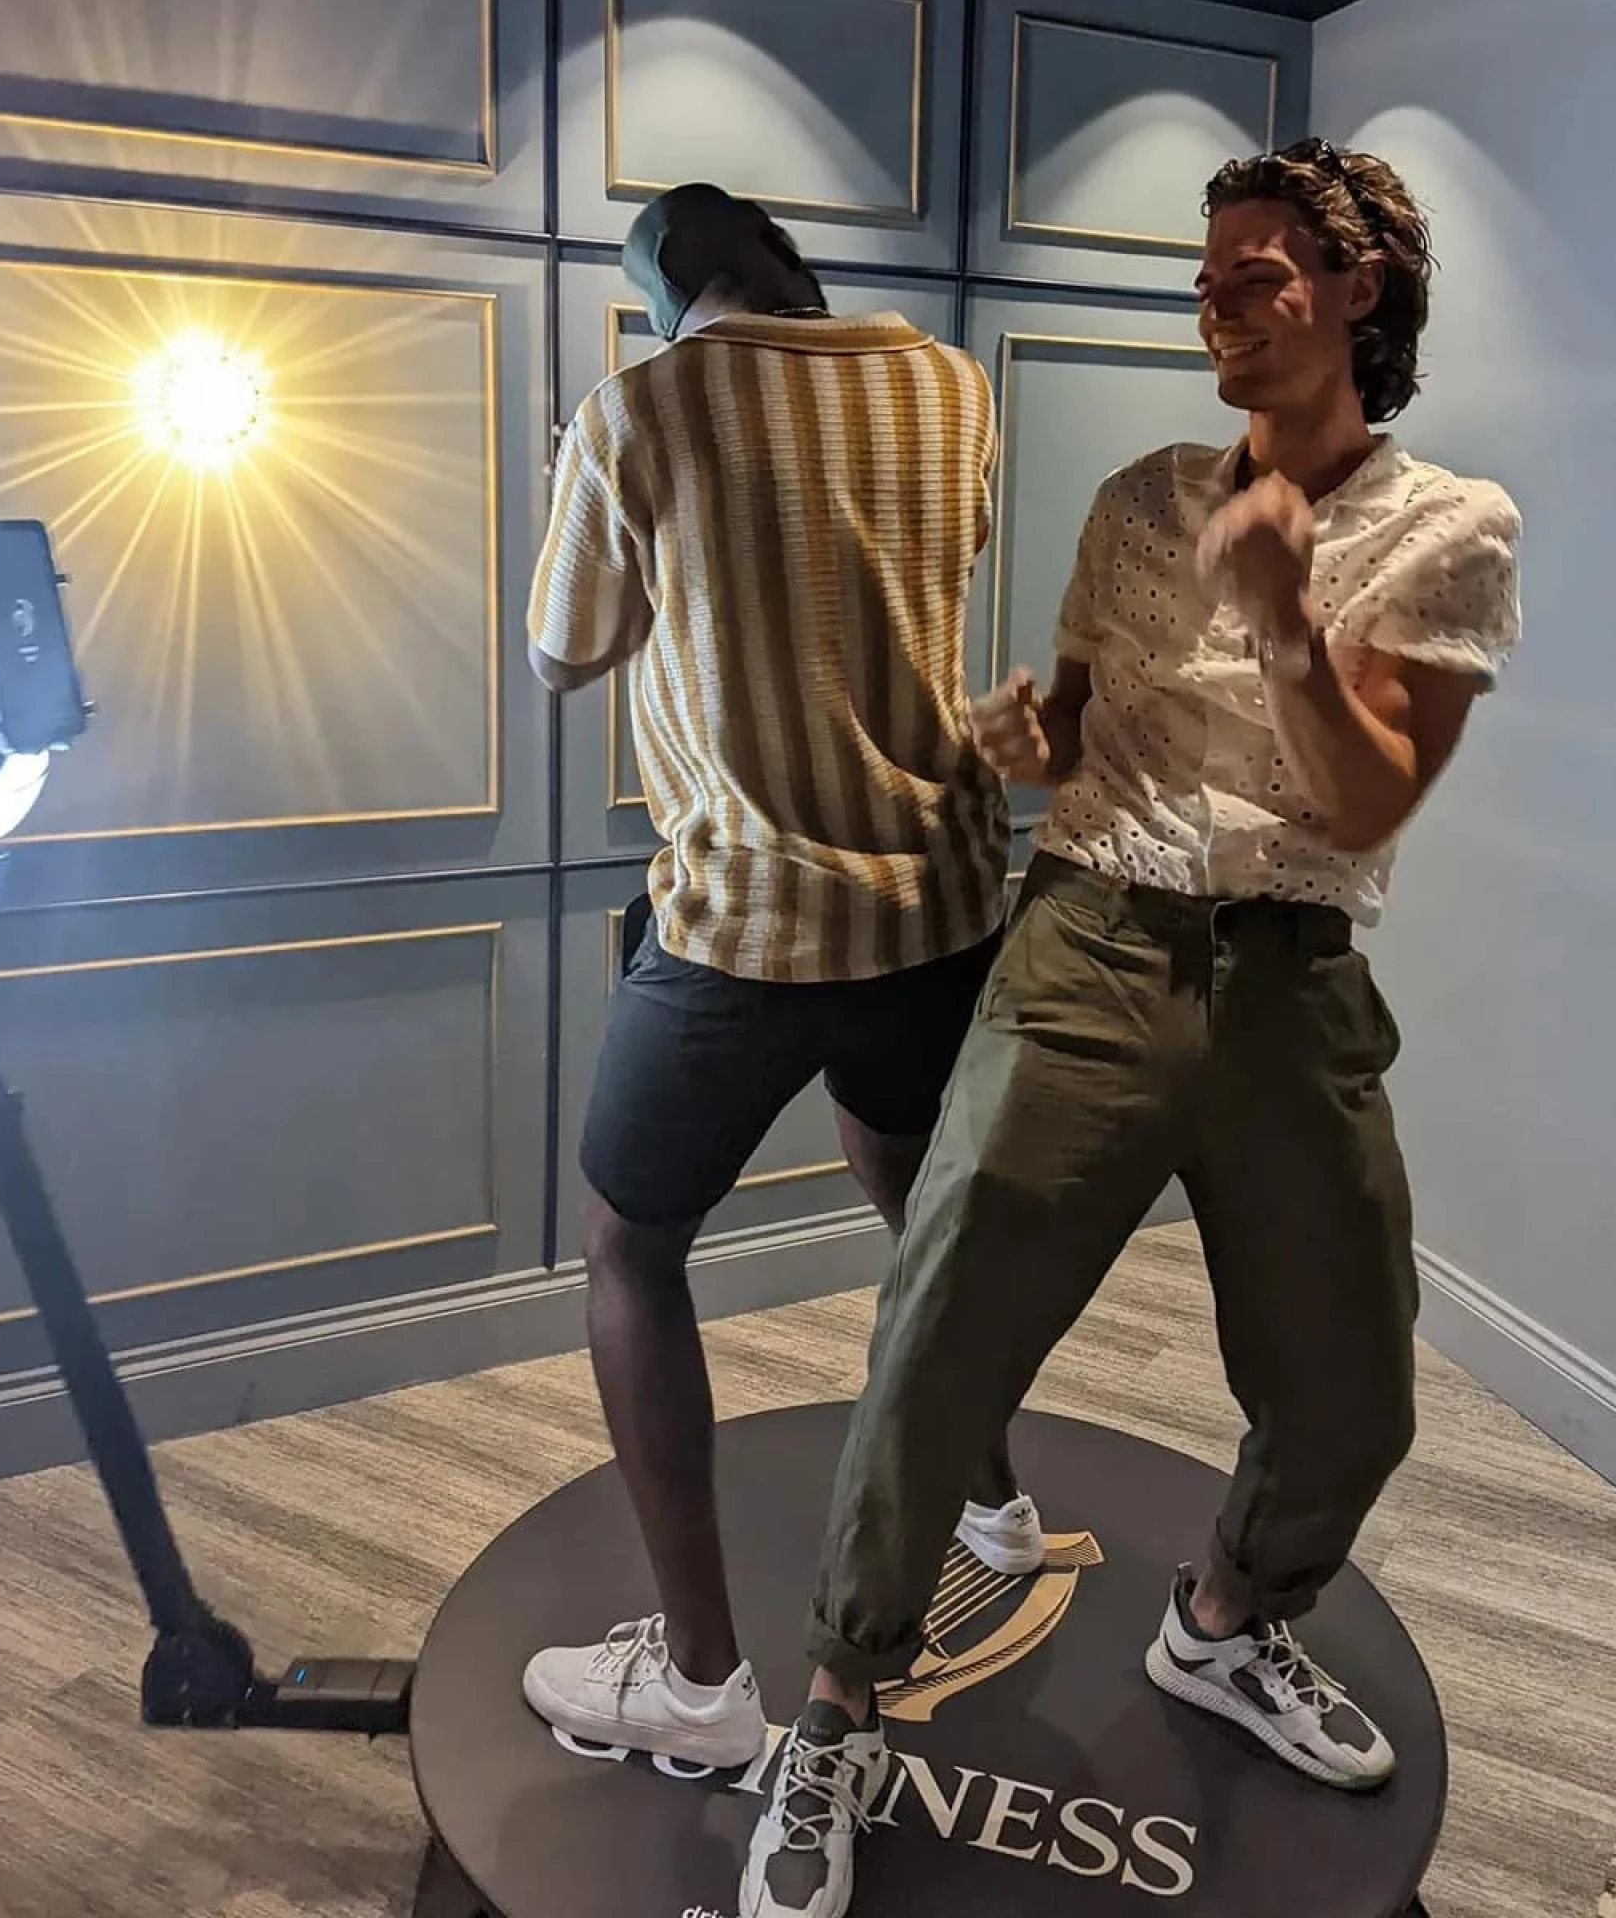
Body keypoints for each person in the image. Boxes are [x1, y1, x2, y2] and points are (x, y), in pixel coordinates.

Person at [740, 139, 1524, 1918]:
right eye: (1206, 278)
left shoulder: (1450, 526)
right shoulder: (1141, 499)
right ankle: (841, 1701)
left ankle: (1224, 1624)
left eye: (1260, 274)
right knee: (944, 1331)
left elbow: (1364, 804)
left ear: (1360, 293)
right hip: (1090, 943)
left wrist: (1287, 618)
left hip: (1294, 978)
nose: (1219, 306)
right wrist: (1028, 737)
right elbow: (1079, 721)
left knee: (1350, 1387)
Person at [519, 182, 1043, 1773]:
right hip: (937, 904)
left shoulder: (638, 408)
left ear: (671, 285)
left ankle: (698, 1684)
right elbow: (911, 577)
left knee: (628, 1249)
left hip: (744, 925)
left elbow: (562, 651)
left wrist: (581, 479)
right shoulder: (949, 384)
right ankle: (996, 1503)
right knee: (914, 1197)